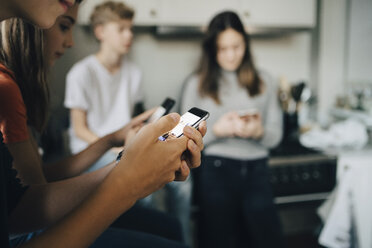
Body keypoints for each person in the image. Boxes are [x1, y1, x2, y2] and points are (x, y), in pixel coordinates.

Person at [0, 0, 207, 247]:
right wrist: (128, 175)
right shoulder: (9, 88)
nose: (71, 42)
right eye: (64, 26)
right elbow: (32, 196)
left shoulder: (132, 73)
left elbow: (19, 206)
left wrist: (127, 158)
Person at [181, 11, 284, 248]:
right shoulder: (195, 85)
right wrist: (217, 129)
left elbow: (275, 136)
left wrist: (258, 132)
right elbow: (183, 141)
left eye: (236, 46)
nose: (230, 55)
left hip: (257, 170)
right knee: (217, 241)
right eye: (222, 48)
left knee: (267, 241)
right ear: (212, 49)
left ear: (246, 44)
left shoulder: (265, 81)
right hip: (216, 170)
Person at [64, 1, 144, 172]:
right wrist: (112, 147)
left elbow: (133, 117)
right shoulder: (81, 73)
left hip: (122, 147)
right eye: (121, 29)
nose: (129, 35)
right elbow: (79, 129)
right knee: (138, 178)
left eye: (130, 29)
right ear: (100, 31)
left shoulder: (133, 72)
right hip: (88, 150)